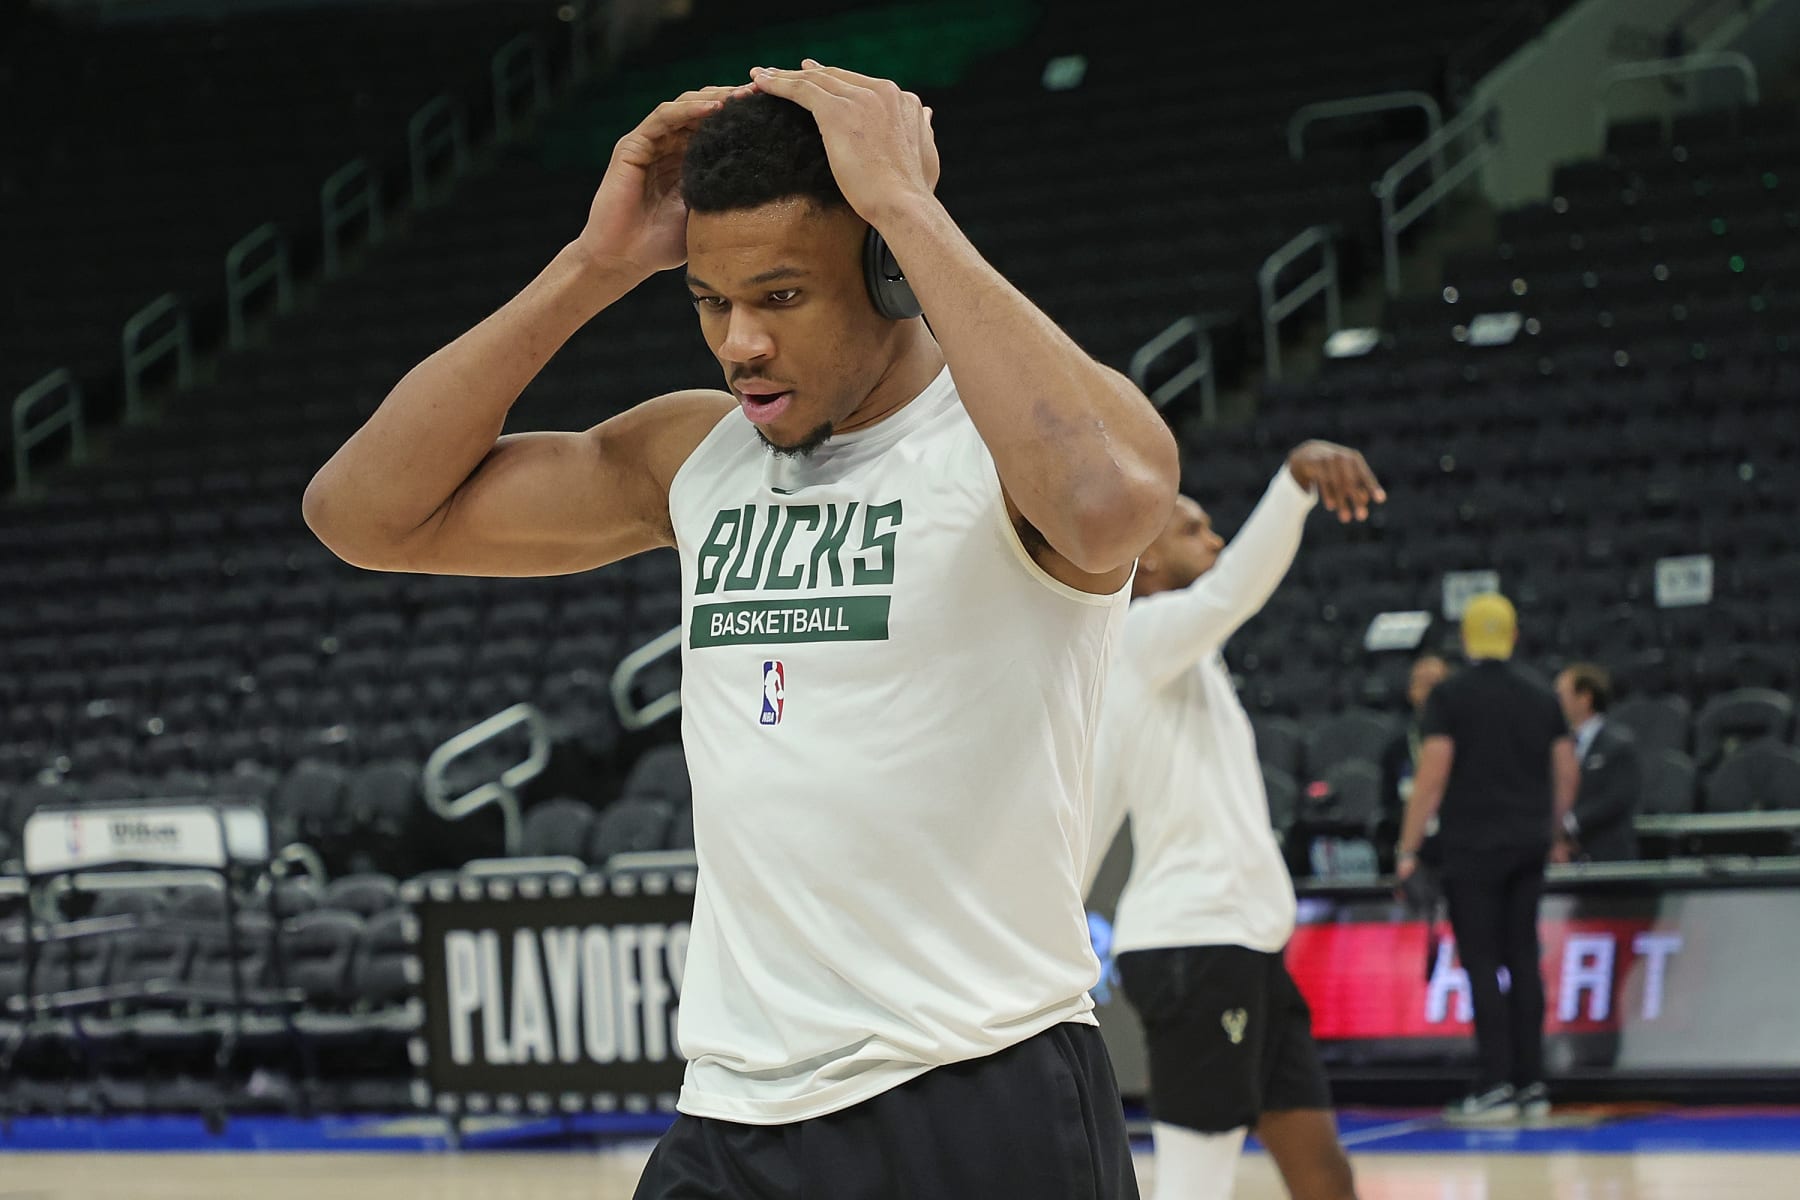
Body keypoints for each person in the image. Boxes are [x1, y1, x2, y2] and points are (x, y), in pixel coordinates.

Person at [304, 66, 1179, 1199]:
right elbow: (362, 513)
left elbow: (1116, 503)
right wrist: (593, 269)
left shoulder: (1003, 452)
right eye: (712, 303)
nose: (740, 344)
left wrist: (908, 206)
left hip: (977, 1089)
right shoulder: (696, 458)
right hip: (733, 1111)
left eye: (780, 296)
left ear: (887, 273)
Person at [1086, 441, 1383, 1200]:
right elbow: (1233, 595)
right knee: (1198, 1182)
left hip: (1246, 945)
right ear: (1143, 562)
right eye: (1194, 529)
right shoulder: (1138, 637)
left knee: (1321, 1165)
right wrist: (1292, 486)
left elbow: (1095, 803)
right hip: (1195, 946)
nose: (1214, 541)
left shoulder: (1187, 661)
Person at [1396, 594, 1578, 1123]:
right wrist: (1550, 827)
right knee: (1524, 959)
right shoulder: (1542, 695)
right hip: (1527, 846)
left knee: (1480, 964)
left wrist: (1408, 848)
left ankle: (1495, 1083)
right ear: (1515, 635)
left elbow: (1433, 773)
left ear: (1468, 639)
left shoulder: (1450, 696)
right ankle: (1532, 1085)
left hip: (1471, 846)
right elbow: (1566, 771)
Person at [1553, 662, 1641, 862]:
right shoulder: (1561, 745)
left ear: (1584, 698)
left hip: (1608, 859)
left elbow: (1616, 799)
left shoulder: (1618, 745)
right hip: (1570, 858)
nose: (1556, 702)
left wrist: (1570, 823)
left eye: (1561, 695)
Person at [1376, 653, 1450, 869]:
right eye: (1423, 684)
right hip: (1414, 844)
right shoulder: (1397, 749)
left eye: (1436, 683)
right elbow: (1388, 804)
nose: (1430, 692)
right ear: (1411, 692)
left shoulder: (1469, 744)